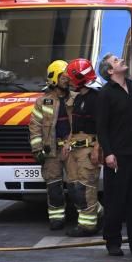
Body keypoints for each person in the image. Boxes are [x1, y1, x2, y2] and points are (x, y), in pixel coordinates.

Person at [96, 53, 132, 257]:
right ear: (110, 71)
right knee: (116, 201)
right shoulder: (105, 94)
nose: (121, 60)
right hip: (117, 157)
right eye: (116, 61)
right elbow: (101, 127)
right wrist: (108, 153)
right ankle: (113, 242)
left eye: (120, 59)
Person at [28, 60, 72, 230]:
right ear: (53, 78)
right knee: (54, 187)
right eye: (63, 76)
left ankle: (94, 213)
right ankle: (56, 218)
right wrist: (37, 149)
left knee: (78, 186)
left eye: (68, 76)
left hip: (72, 149)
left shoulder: (75, 98)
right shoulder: (42, 102)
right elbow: (35, 127)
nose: (66, 79)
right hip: (51, 151)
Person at [64, 58, 102, 237]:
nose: (69, 81)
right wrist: (67, 144)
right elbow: (74, 126)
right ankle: (98, 213)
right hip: (75, 148)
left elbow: (104, 127)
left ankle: (88, 226)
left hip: (89, 148)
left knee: (85, 188)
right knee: (73, 187)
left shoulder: (96, 99)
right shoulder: (78, 98)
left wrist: (97, 150)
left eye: (71, 77)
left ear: (79, 78)